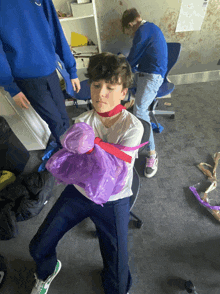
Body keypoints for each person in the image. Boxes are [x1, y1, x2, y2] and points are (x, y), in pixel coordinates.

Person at [28, 52, 144, 294]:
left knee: (119, 282)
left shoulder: (133, 126)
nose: (101, 93)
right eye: (96, 85)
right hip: (80, 192)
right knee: (39, 245)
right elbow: (73, 165)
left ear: (124, 93)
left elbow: (113, 170)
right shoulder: (82, 120)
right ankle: (47, 270)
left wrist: (92, 145)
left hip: (113, 200)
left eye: (110, 87)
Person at [0, 0, 80, 153]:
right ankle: (71, 157)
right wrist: (11, 87)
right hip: (26, 77)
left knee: (63, 117)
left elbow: (57, 32)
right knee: (56, 123)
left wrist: (71, 69)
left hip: (50, 69)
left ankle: (70, 151)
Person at [121, 8, 168, 178]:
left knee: (140, 110)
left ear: (131, 23)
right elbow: (135, 59)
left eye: (128, 31)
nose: (130, 35)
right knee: (127, 93)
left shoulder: (142, 31)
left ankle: (152, 155)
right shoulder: (149, 28)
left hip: (153, 76)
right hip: (146, 72)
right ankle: (133, 136)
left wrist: (122, 65)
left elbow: (132, 59)